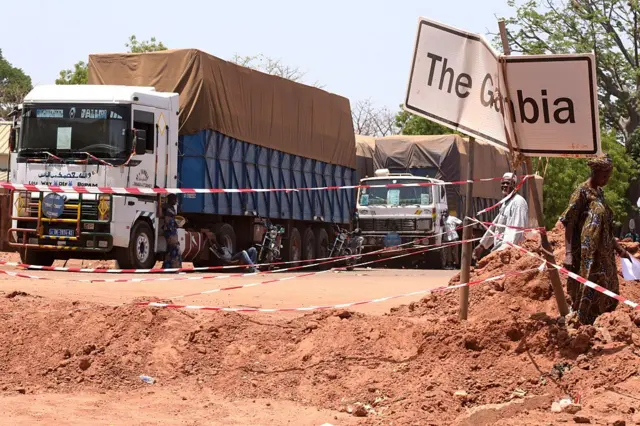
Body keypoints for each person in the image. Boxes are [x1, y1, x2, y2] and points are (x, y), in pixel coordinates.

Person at [560, 154, 631, 325]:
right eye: (604, 175)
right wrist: (568, 253)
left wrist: (619, 249)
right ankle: (584, 321)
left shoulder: (600, 193)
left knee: (607, 284)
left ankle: (606, 320)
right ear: (595, 172)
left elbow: (607, 228)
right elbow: (569, 223)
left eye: (609, 176)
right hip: (587, 254)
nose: (606, 179)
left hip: (604, 253)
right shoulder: (581, 192)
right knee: (588, 285)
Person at [473, 172, 529, 259]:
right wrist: (482, 245)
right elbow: (496, 225)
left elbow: (516, 230)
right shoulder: (505, 203)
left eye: (508, 183)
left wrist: (506, 250)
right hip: (500, 248)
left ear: (514, 185)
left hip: (509, 252)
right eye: (503, 183)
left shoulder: (518, 202)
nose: (505, 185)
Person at [162, 193, 182, 268]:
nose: (176, 201)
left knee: (170, 250)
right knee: (175, 248)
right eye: (175, 199)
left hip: (173, 230)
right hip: (169, 231)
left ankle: (167, 266)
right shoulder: (166, 207)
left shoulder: (172, 208)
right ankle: (175, 266)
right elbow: (167, 219)